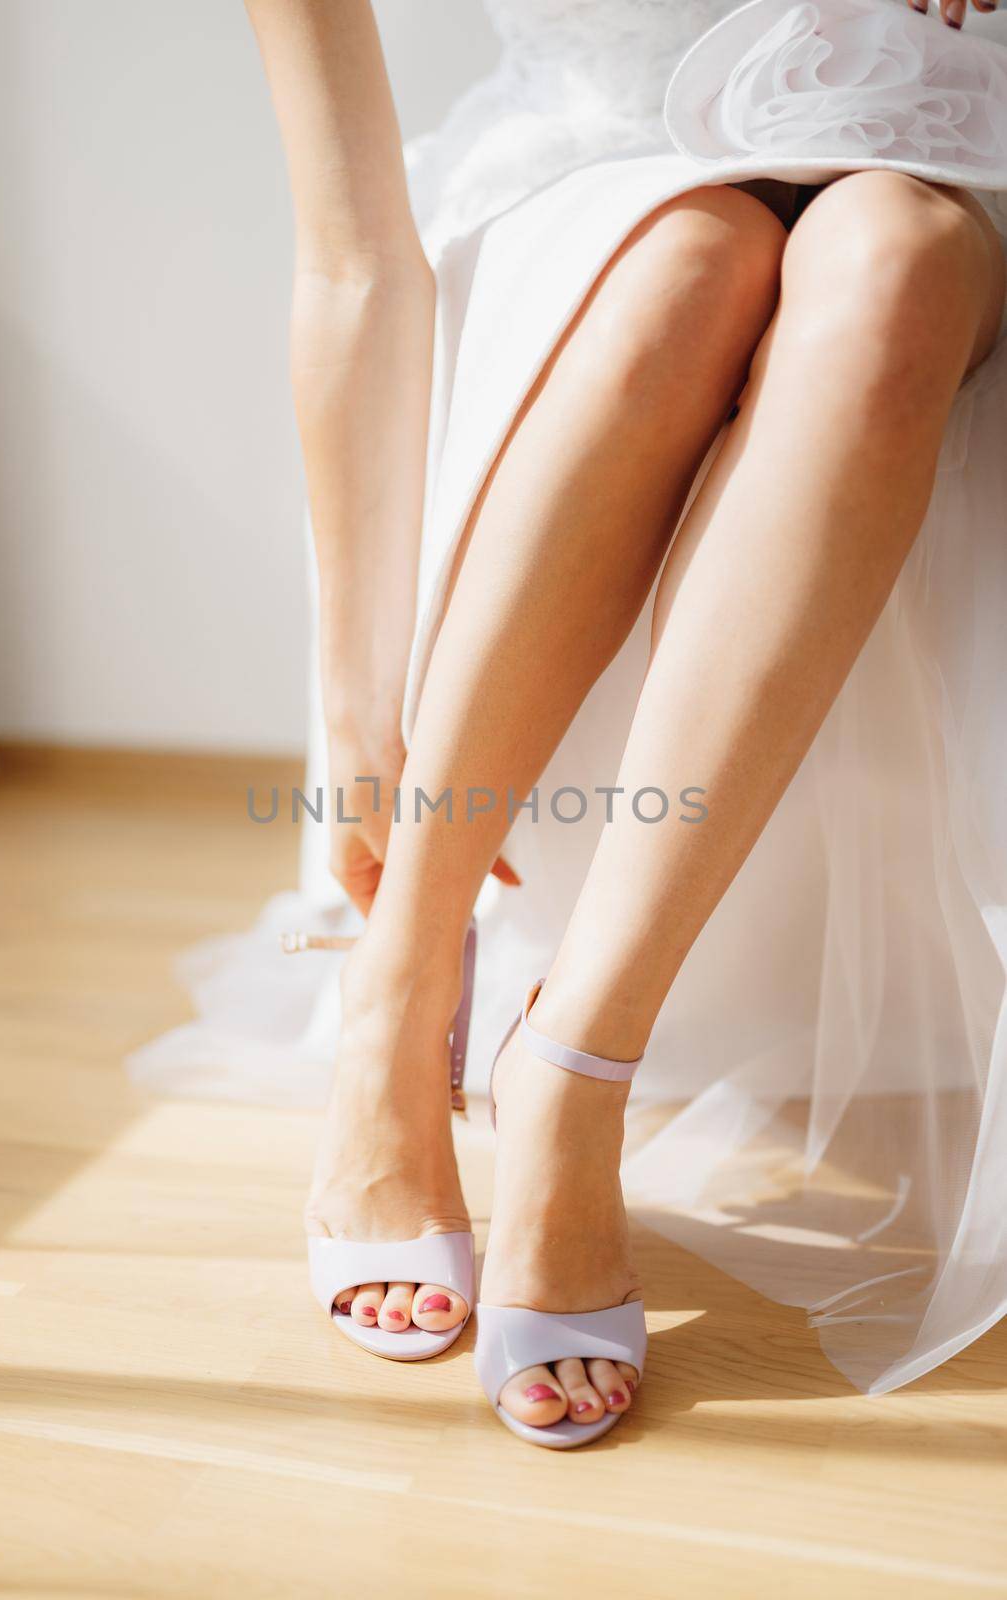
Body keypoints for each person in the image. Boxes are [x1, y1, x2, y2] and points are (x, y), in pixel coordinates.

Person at [135, 0, 1007, 1444]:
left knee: (891, 259)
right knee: (691, 254)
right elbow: (352, 258)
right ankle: (399, 1010)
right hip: (600, 186)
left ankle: (572, 1066)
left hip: (937, 163)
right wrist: (359, 707)